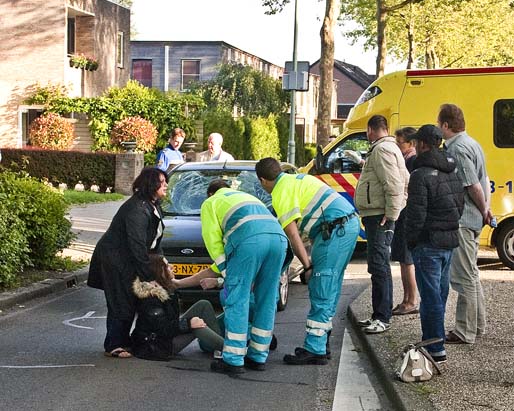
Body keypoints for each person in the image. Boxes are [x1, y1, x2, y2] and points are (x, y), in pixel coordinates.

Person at [256, 157, 360, 365]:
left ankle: (315, 349)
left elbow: (293, 235)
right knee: (330, 287)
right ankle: (322, 341)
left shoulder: (280, 192)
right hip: (342, 227)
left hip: (334, 231)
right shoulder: (295, 180)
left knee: (321, 286)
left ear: (262, 180)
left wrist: (307, 265)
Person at [201, 179, 287, 376]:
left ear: (210, 193)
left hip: (249, 242)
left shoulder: (211, 203)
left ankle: (233, 360)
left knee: (237, 300)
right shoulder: (248, 197)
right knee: (266, 300)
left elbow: (213, 241)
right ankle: (258, 357)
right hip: (278, 240)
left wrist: (226, 273)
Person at [88, 167, 168, 359]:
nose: (166, 185)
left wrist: (162, 262)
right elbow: (137, 245)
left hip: (128, 259)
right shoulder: (136, 209)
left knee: (131, 299)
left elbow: (154, 240)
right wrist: (149, 277)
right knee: (120, 300)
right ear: (150, 185)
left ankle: (125, 340)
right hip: (115, 260)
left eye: (166, 181)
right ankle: (114, 344)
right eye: (161, 182)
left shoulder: (152, 205)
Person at [404, 125, 464, 364]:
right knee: (440, 293)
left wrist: (412, 240)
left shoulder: (420, 175)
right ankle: (435, 341)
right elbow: (459, 204)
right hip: (448, 240)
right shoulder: (452, 170)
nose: (415, 146)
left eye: (417, 143)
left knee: (430, 298)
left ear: (423, 145)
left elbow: (416, 214)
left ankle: (434, 346)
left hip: (428, 242)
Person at [439, 103, 491, 345]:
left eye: (440, 124)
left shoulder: (457, 149)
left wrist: (483, 210)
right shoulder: (474, 144)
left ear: (446, 125)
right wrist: (486, 212)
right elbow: (485, 180)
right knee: (472, 273)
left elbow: (473, 185)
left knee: (463, 277)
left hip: (463, 218)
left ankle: (465, 330)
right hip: (474, 219)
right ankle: (478, 325)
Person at [353, 115, 409, 334]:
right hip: (378, 214)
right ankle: (378, 314)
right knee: (378, 265)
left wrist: (391, 213)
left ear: (370, 130)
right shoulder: (390, 148)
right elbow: (404, 178)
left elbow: (394, 183)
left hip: (379, 216)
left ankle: (382, 317)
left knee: (379, 265)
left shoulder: (382, 150)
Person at [129, 254, 225, 361]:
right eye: (167, 266)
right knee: (196, 326)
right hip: (157, 346)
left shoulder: (165, 287)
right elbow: (163, 329)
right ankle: (230, 350)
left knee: (203, 305)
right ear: (158, 272)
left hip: (165, 336)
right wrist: (189, 323)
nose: (172, 267)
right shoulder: (151, 297)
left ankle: (218, 347)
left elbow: (171, 320)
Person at [391, 127, 419, 316]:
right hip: (404, 214)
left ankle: (411, 300)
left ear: (411, 144)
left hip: (407, 214)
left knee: (407, 260)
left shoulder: (411, 161)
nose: (397, 145)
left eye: (400, 142)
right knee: (403, 259)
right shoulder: (406, 159)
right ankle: (406, 298)